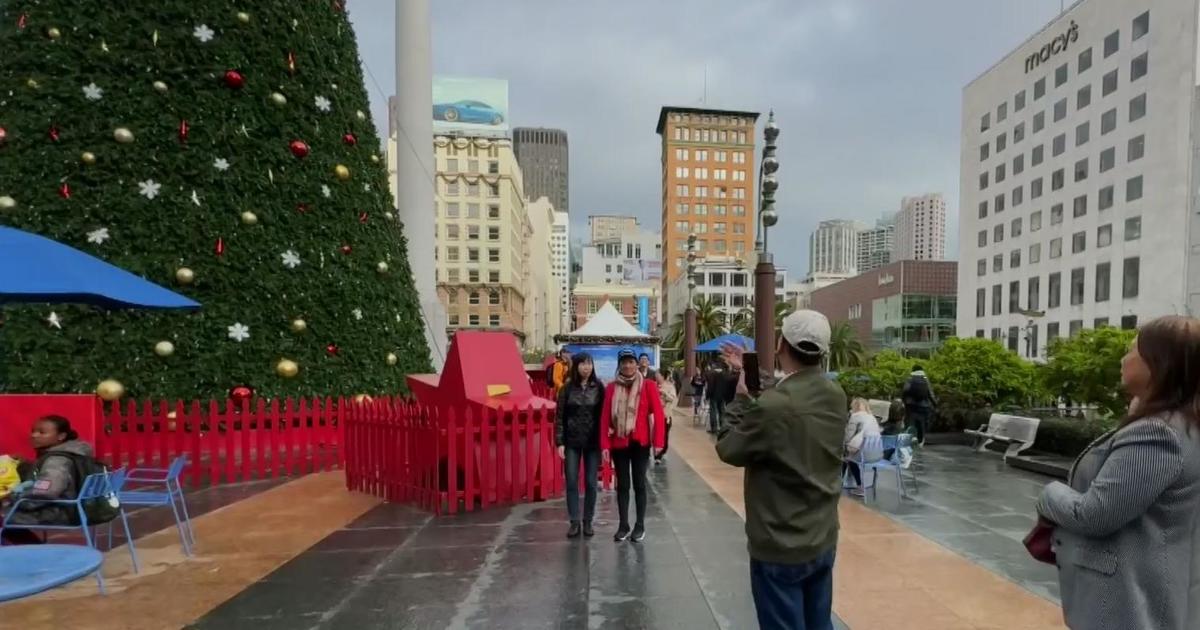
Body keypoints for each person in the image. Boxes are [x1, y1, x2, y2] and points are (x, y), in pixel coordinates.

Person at [1036, 316, 1200, 630]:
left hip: (1127, 604)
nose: (1123, 358)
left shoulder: (1158, 433)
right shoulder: (1180, 423)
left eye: (1131, 349)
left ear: (1158, 362)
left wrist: (1049, 494)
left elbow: (1095, 514)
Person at [715, 310, 847, 630]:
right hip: (821, 536)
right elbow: (792, 395)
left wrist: (742, 400)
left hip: (780, 544)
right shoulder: (836, 395)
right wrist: (755, 375)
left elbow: (728, 448)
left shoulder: (774, 407)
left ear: (780, 345)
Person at [600, 349, 667, 543]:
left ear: (637, 364)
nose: (628, 366)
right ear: (619, 365)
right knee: (622, 485)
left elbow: (659, 416)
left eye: (631, 362)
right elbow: (604, 419)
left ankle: (639, 525)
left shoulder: (648, 386)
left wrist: (659, 443)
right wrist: (604, 444)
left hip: (640, 443)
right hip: (619, 442)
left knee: (639, 484)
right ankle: (623, 525)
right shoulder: (612, 388)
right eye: (624, 362)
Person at [1, 416, 94, 545]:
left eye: (42, 432)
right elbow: (46, 476)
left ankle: (35, 553)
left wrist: (12, 499)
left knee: (2, 516)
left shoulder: (57, 460)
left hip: (59, 511)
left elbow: (45, 491)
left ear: (61, 436)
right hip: (76, 507)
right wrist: (24, 465)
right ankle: (34, 550)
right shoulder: (72, 452)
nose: (34, 435)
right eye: (33, 431)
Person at [555, 352, 604, 539]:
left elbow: (602, 415)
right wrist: (560, 442)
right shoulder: (567, 388)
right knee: (572, 481)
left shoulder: (598, 387)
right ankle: (574, 521)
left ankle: (588, 520)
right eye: (583, 364)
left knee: (592, 483)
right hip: (572, 442)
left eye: (589, 363)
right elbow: (559, 417)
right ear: (576, 366)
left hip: (592, 442)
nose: (586, 367)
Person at [842, 398, 886, 498]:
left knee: (846, 458)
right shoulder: (872, 418)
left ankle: (857, 485)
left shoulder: (855, 417)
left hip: (863, 455)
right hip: (877, 454)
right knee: (850, 455)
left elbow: (848, 437)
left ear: (854, 406)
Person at [901, 365, 936, 446]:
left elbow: (905, 390)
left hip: (911, 405)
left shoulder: (910, 377)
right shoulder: (925, 378)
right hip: (924, 405)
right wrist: (934, 403)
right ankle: (921, 441)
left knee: (910, 423)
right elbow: (930, 393)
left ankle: (909, 439)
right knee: (922, 423)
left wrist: (903, 400)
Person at [654, 370, 677, 465]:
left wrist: (664, 393)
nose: (656, 377)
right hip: (654, 415)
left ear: (663, 376)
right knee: (655, 434)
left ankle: (661, 452)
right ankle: (656, 454)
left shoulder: (670, 387)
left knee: (664, 435)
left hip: (665, 415)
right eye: (656, 375)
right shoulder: (653, 385)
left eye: (658, 375)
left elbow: (672, 398)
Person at [705, 360, 734, 434]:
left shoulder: (711, 373)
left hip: (713, 395)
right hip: (722, 395)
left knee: (713, 411)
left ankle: (714, 428)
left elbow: (710, 386)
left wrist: (707, 395)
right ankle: (722, 427)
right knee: (722, 411)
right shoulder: (726, 373)